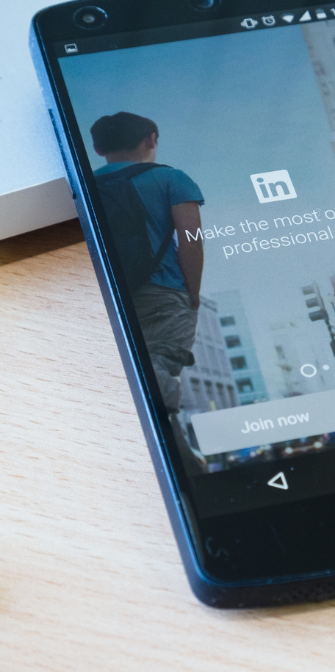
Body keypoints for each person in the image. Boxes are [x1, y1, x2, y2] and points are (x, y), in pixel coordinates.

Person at [91, 111, 205, 436]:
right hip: (163, 291)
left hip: (110, 294)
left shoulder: (86, 185)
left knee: (136, 368)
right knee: (159, 367)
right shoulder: (171, 178)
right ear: (151, 140)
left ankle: (172, 448)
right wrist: (192, 293)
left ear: (99, 149)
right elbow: (191, 238)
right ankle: (164, 443)